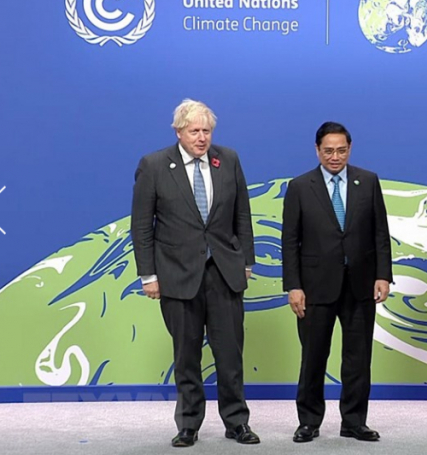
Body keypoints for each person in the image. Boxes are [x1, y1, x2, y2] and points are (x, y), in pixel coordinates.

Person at [131, 99, 259, 447]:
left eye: (207, 131)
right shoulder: (155, 165)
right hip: (176, 275)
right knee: (186, 355)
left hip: (225, 273)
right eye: (194, 131)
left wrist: (246, 262)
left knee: (230, 355)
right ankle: (188, 424)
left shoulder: (228, 159)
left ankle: (236, 422)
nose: (202, 138)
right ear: (178, 132)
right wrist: (148, 276)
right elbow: (142, 226)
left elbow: (242, 216)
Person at [282, 121, 392, 443]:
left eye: (341, 150)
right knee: (314, 357)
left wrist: (383, 275)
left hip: (360, 285)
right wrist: (294, 285)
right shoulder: (300, 186)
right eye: (328, 150)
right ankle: (309, 421)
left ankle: (354, 421)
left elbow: (380, 234)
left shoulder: (368, 181)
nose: (335, 156)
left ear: (350, 149)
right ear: (317, 150)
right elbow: (290, 241)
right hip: (315, 287)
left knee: (358, 358)